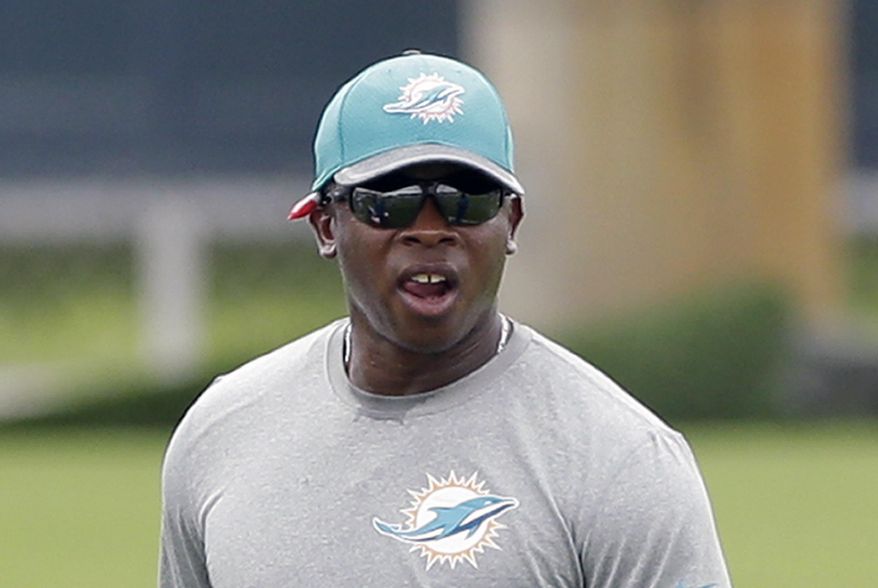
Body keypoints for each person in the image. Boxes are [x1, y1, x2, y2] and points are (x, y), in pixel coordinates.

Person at [159, 51, 731, 587]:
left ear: (512, 222)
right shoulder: (222, 434)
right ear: (327, 225)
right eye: (390, 199)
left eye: (468, 198)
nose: (431, 229)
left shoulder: (619, 460)